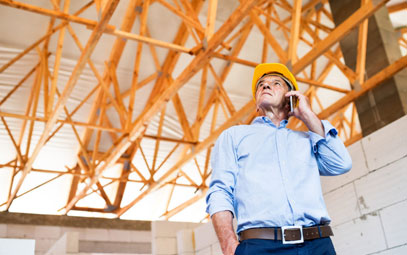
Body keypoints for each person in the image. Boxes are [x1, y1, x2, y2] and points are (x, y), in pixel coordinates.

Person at [205, 63, 352, 255]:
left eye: (276, 83)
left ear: (290, 98)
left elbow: (341, 164)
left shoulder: (308, 140)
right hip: (261, 247)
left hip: (317, 244)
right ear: (257, 104)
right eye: (261, 85)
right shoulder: (234, 136)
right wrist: (228, 245)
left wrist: (308, 115)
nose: (265, 86)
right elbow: (220, 191)